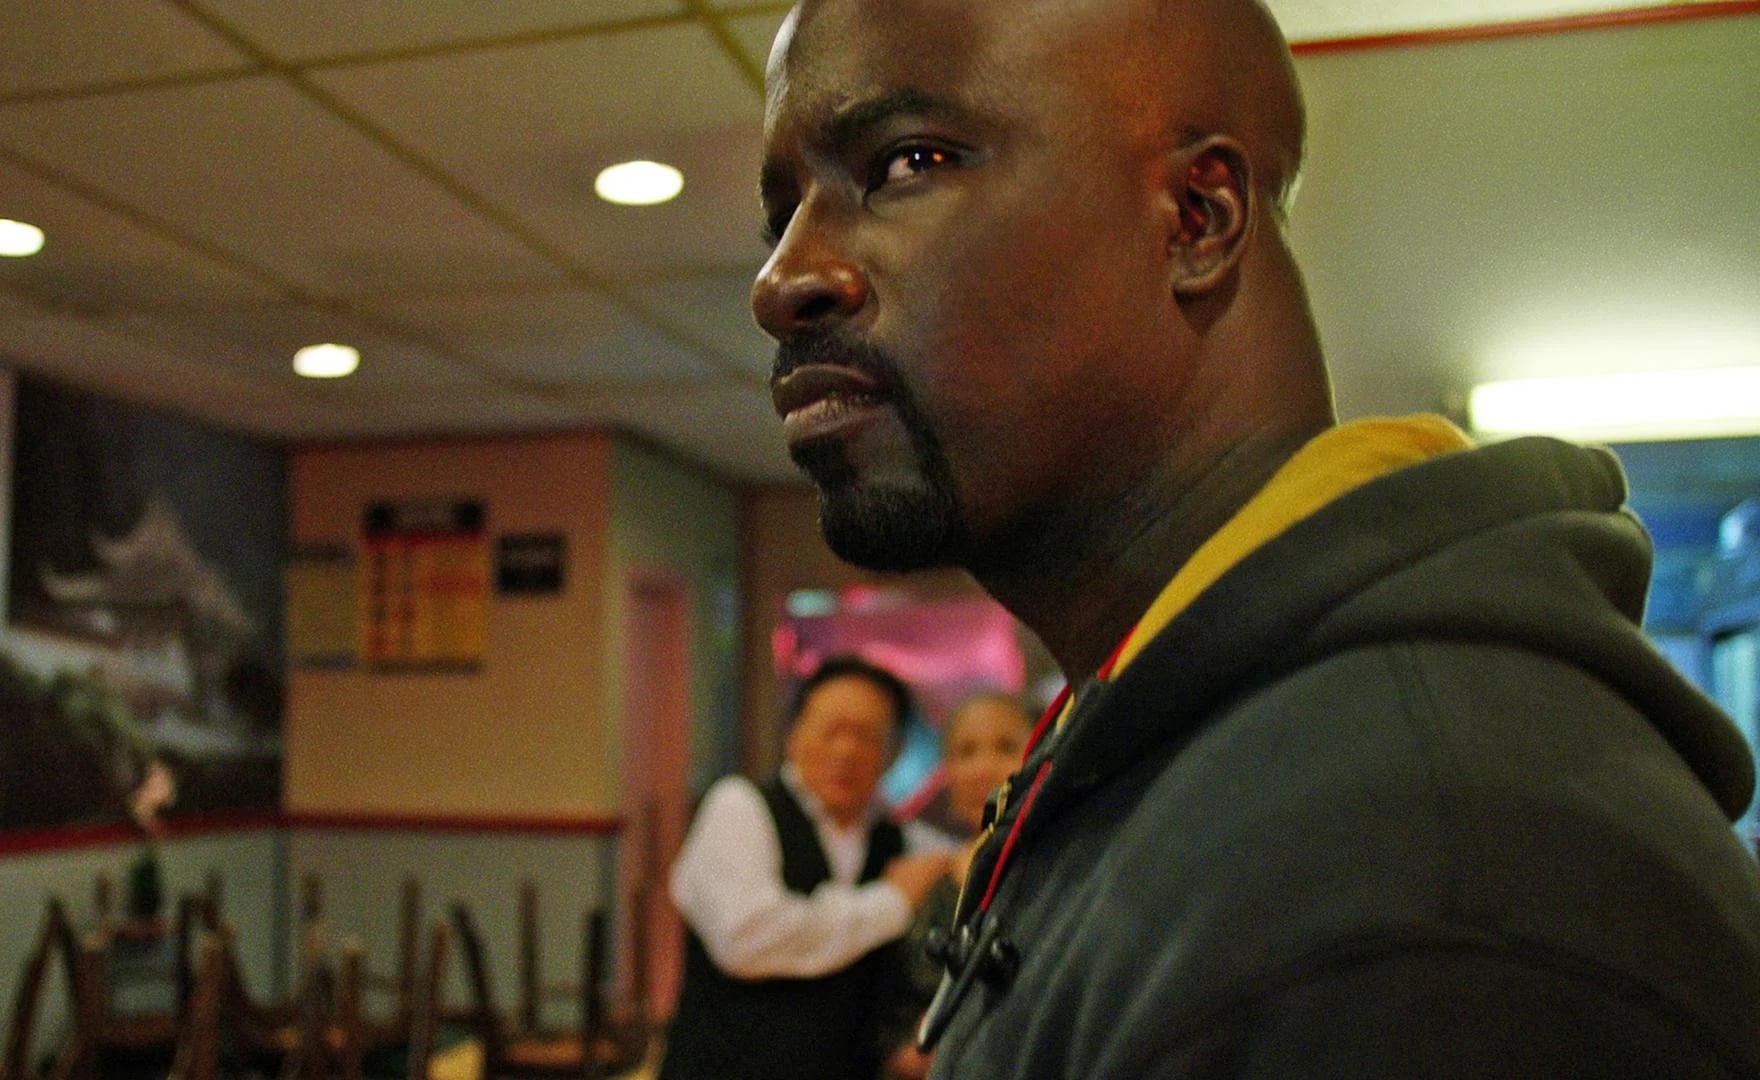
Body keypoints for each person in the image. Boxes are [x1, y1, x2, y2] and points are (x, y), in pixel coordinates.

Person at [753, 0, 1760, 1076]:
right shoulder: (1195, 755)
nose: (781, 281)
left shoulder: (1410, 887)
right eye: (780, 215)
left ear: (1198, 219)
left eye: (908, 163)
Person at [659, 654, 955, 1080]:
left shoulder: (901, 839)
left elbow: (960, 866)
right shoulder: (740, 807)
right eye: (832, 729)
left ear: (894, 752)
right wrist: (889, 903)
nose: (846, 750)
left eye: (867, 735)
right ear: (793, 734)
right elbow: (747, 937)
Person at [882, 692, 1032, 1080]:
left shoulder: (1058, 869)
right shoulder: (926, 876)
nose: (984, 768)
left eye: (1005, 747)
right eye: (966, 752)